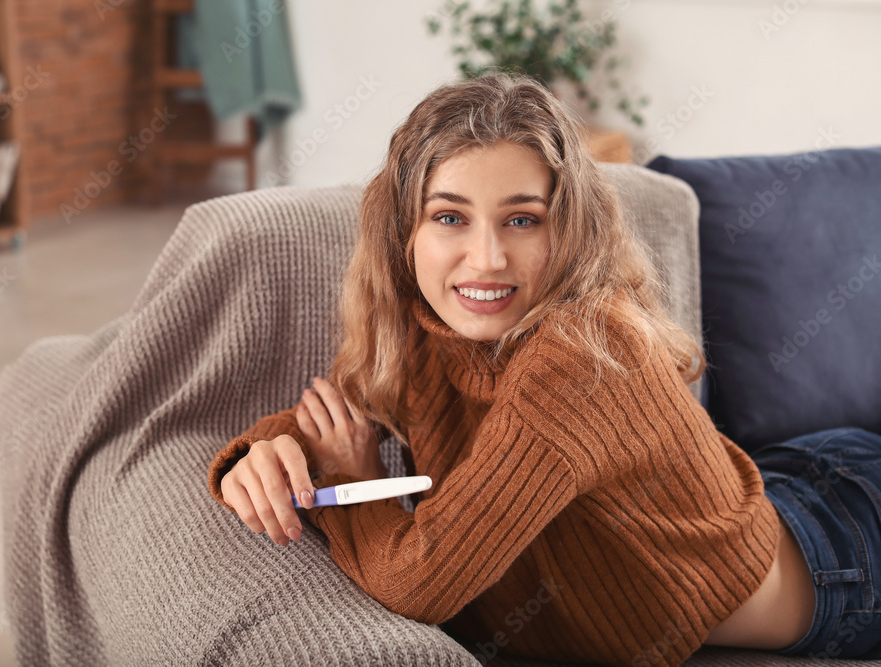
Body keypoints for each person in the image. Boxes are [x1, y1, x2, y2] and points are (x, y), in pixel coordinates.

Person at [206, 71, 881, 664]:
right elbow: (335, 417)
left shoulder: (581, 359)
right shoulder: (430, 324)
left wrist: (349, 478)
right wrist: (268, 451)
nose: (487, 258)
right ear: (404, 233)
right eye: (450, 217)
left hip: (843, 554)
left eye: (522, 220)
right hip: (793, 477)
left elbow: (421, 581)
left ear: (570, 229)